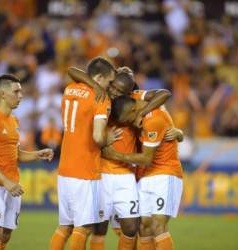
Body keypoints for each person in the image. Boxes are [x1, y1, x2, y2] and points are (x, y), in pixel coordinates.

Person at [68, 67, 182, 250]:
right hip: (100, 171)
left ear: (128, 94)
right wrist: (95, 86)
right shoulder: (100, 94)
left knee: (132, 227)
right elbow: (73, 71)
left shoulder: (137, 101)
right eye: (113, 87)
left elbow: (164, 93)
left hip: (130, 172)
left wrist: (141, 114)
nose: (114, 92)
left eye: (120, 91)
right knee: (96, 225)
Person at [0, 74, 54, 250]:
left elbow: (16, 154)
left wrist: (37, 154)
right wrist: (5, 181)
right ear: (2, 94)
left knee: (5, 235)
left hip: (13, 185)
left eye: (21, 92)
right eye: (16, 91)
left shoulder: (14, 120)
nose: (21, 95)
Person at [49, 57, 116, 250]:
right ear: (99, 77)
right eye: (109, 82)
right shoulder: (101, 98)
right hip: (85, 168)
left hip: (65, 168)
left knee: (64, 226)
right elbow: (97, 137)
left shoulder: (69, 88)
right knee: (84, 228)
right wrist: (108, 139)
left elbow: (72, 70)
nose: (110, 87)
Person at [103, 95, 183, 250]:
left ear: (134, 110)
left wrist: (114, 155)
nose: (129, 124)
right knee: (144, 228)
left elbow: (146, 158)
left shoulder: (153, 120)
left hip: (165, 173)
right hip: (145, 176)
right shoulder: (137, 101)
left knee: (157, 225)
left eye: (128, 119)